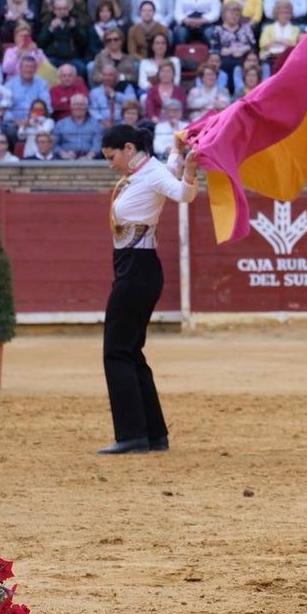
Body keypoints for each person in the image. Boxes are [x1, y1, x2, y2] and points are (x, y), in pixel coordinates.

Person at [97, 124, 199, 455]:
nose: (110, 164)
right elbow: (169, 172)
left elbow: (183, 193)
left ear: (128, 148)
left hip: (136, 270)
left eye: (112, 157)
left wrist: (192, 170)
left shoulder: (150, 174)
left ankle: (132, 435)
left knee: (116, 350)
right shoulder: (150, 170)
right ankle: (153, 434)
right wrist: (176, 148)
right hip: (137, 268)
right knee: (130, 351)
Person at [54, 93, 100, 159]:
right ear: (70, 106)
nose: (79, 107)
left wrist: (89, 156)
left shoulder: (96, 125)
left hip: (90, 159)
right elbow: (54, 145)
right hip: (65, 159)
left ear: (87, 107)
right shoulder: (60, 124)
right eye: (75, 104)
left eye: (82, 105)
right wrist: (64, 154)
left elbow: (97, 145)